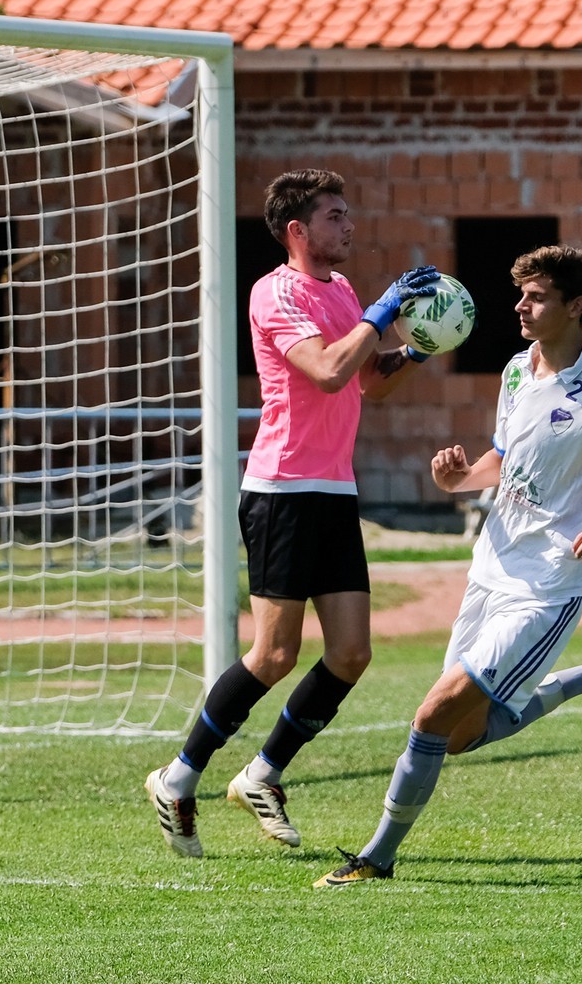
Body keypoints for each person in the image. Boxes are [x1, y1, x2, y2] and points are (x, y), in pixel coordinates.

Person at [315, 244, 582, 887]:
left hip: (547, 588)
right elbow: (504, 460)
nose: (520, 306)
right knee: (459, 736)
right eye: (521, 294)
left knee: (432, 715)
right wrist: (459, 478)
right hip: (490, 568)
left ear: (575, 307)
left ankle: (376, 858)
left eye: (536, 297)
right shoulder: (517, 370)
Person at [145, 168, 439, 857]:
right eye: (335, 216)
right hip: (281, 489)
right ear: (298, 230)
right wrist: (384, 311)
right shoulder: (274, 293)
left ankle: (262, 774)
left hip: (333, 490)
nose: (349, 225)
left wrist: (420, 346)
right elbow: (327, 371)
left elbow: (367, 382)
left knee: (351, 653)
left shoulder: (342, 291)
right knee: (274, 653)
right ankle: (177, 777)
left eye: (348, 213)